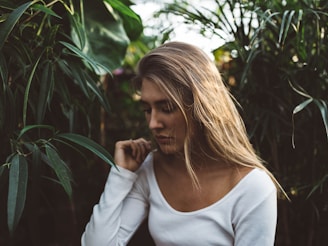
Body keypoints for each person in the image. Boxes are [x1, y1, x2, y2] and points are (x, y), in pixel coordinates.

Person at [81, 41, 281, 246]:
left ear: (200, 107)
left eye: (166, 108)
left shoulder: (252, 187)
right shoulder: (151, 169)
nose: (153, 123)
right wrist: (121, 175)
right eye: (147, 109)